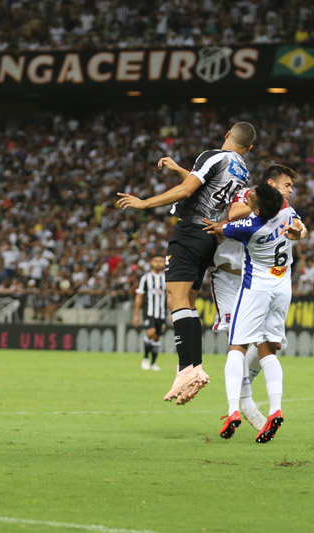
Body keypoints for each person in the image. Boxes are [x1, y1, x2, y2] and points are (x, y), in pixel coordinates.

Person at [117, 122, 256, 405]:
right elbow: (212, 192)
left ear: (227, 133)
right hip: (207, 238)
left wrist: (144, 203)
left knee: (175, 298)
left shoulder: (213, 155)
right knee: (189, 302)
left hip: (190, 232)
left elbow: (186, 191)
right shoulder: (242, 171)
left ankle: (186, 368)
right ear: (249, 148)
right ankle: (194, 368)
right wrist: (182, 169)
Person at [205, 183, 306, 443]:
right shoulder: (287, 212)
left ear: (259, 209)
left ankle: (232, 410)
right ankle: (275, 410)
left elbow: (218, 228)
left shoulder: (248, 227)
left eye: (252, 198)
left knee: (236, 347)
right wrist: (300, 231)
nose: (248, 196)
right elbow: (299, 227)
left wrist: (212, 223)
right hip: (282, 288)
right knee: (268, 351)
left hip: (256, 289)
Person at [133, 255, 168, 371]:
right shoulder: (145, 278)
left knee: (157, 337)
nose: (158, 263)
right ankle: (145, 358)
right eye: (155, 261)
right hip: (149, 312)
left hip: (162, 313)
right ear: (151, 263)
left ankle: (153, 363)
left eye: (160, 261)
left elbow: (171, 297)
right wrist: (136, 314)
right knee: (150, 333)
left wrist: (173, 313)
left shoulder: (167, 278)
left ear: (164, 263)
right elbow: (139, 297)